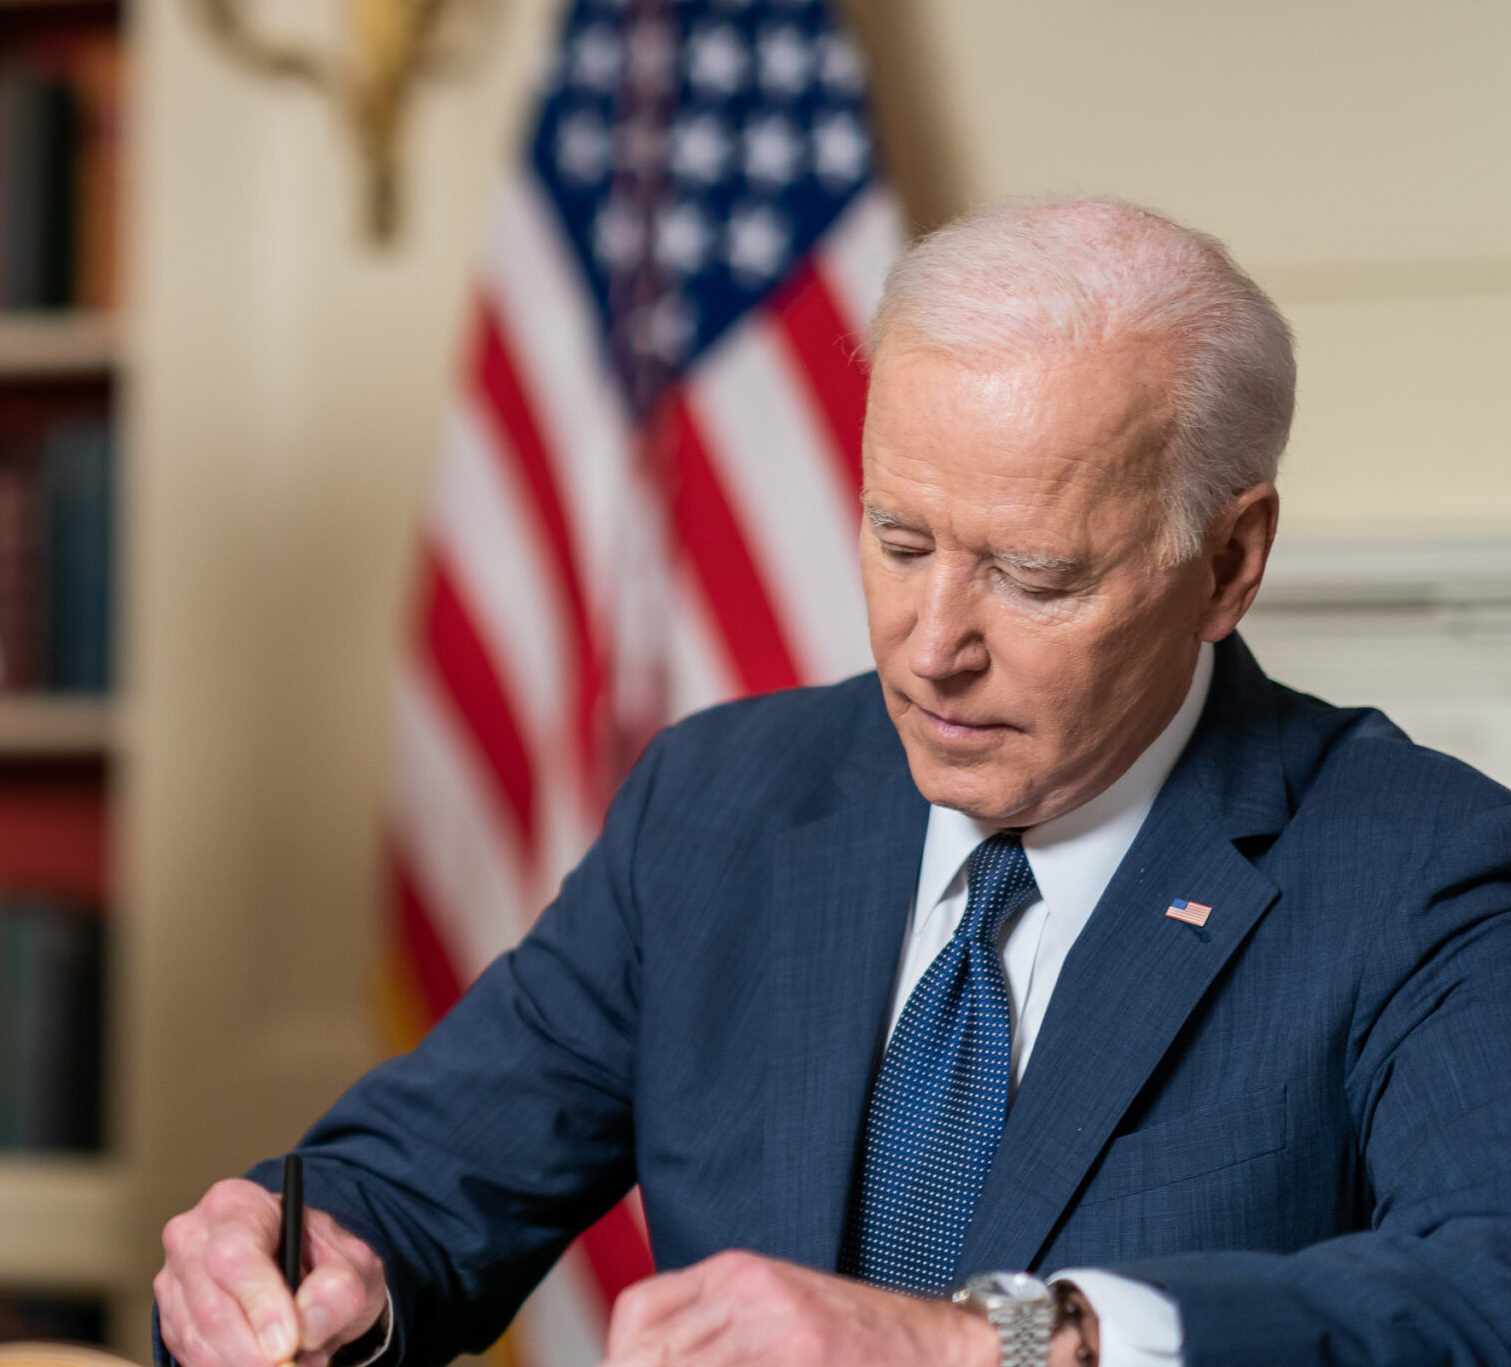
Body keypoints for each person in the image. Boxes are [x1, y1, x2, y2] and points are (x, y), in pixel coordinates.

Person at [154, 199, 1511, 1367]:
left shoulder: (1418, 866)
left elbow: (1486, 1290)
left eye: (1034, 578)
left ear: (1226, 565)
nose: (933, 647)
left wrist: (994, 1341)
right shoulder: (719, 805)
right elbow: (415, 1182)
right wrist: (312, 1257)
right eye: (899, 538)